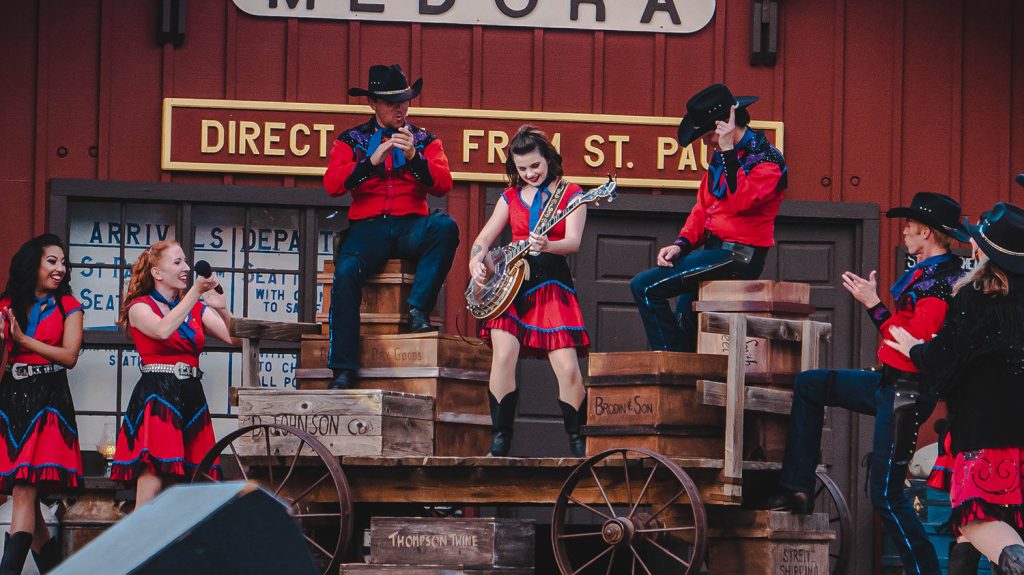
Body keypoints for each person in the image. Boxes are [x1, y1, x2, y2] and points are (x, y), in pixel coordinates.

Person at [763, 192, 971, 575]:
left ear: (925, 232)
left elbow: (910, 346)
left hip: (906, 395)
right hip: (888, 384)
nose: (905, 232)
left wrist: (873, 304)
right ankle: (797, 487)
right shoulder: (928, 272)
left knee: (887, 496)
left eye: (909, 227)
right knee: (810, 385)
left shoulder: (941, 283)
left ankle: (925, 571)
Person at [887, 201, 1024, 575]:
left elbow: (945, 362)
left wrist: (914, 349)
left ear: (987, 251)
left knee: (974, 520)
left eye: (978, 241)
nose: (973, 246)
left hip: (984, 434)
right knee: (982, 533)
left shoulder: (973, 297)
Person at [324, 64, 459, 390]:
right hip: (368, 228)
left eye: (405, 101)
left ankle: (417, 312)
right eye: (392, 102)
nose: (400, 108)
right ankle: (343, 368)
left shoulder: (426, 140)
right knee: (344, 274)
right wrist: (370, 161)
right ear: (373, 104)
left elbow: (442, 185)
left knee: (445, 226)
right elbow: (332, 185)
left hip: (410, 224)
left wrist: (413, 156)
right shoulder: (350, 140)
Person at [630, 83, 787, 352]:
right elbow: (704, 208)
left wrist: (726, 151)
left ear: (723, 126)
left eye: (707, 135)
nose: (704, 141)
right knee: (685, 326)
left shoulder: (768, 161)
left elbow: (740, 201)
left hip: (738, 256)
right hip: (713, 253)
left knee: (645, 287)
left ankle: (666, 368)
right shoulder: (721, 157)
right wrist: (681, 245)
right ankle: (683, 376)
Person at [469, 126, 589, 457]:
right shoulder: (510, 198)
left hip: (551, 283)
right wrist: (475, 263)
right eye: (522, 169)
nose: (530, 173)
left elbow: (574, 242)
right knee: (503, 356)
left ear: (548, 158)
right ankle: (500, 439)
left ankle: (578, 442)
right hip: (512, 286)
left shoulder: (572, 193)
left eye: (535, 166)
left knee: (566, 366)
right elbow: (483, 239)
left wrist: (549, 244)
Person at [110, 240, 237, 508]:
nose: (187, 268)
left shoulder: (197, 308)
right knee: (153, 480)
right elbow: (162, 330)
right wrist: (194, 293)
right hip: (158, 394)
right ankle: (143, 545)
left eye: (186, 262)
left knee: (193, 481)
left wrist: (223, 308)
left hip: (191, 393)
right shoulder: (138, 307)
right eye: (177, 262)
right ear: (157, 273)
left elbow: (234, 339)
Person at [0, 234, 83, 574]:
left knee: (23, 489)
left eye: (63, 262)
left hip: (49, 400)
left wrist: (23, 340)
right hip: (12, 398)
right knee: (30, 506)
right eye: (52, 261)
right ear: (32, 263)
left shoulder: (70, 306)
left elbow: (69, 356)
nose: (60, 268)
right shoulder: (6, 305)